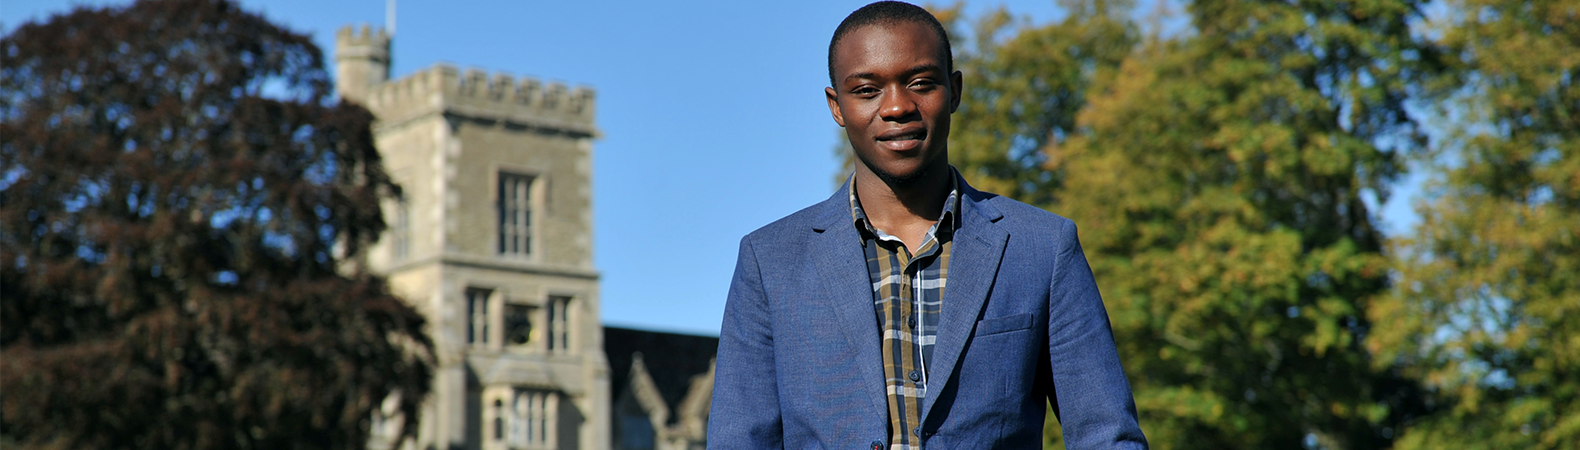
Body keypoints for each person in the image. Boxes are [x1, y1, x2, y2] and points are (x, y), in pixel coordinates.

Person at [708, 2, 1148, 448]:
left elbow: (1107, 435)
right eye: (866, 90)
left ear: (954, 91)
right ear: (836, 106)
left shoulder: (1042, 247)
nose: (898, 106)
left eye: (921, 83)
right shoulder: (771, 261)